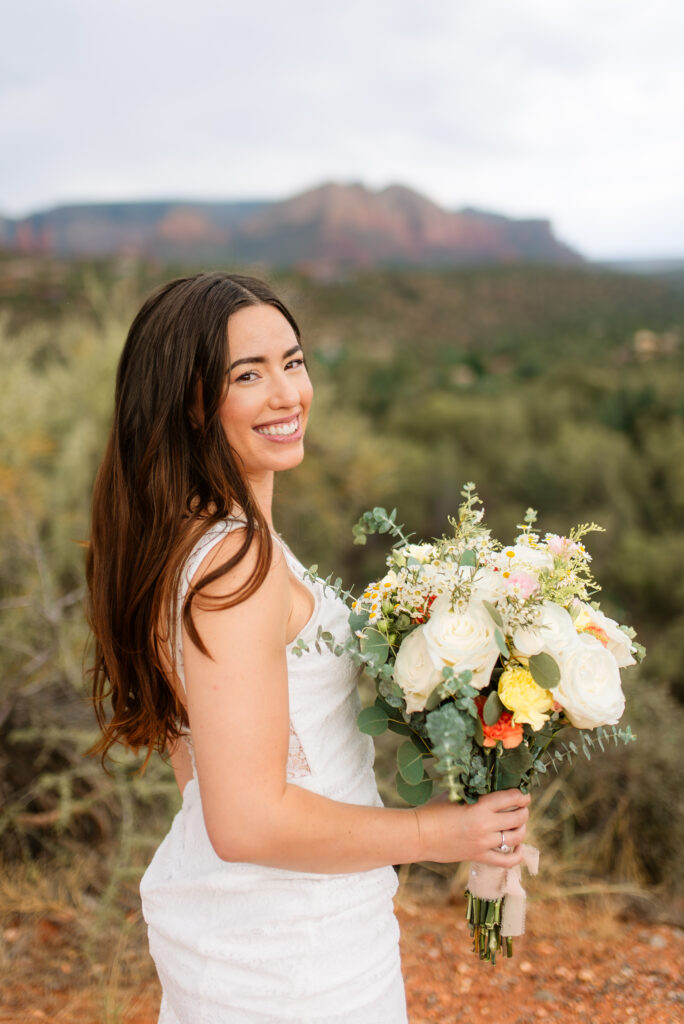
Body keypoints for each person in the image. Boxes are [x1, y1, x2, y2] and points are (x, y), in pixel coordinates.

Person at [86, 271, 531, 1023]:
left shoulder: (195, 539)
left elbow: (198, 761)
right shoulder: (234, 567)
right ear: (192, 402)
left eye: (292, 362)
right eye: (248, 375)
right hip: (293, 957)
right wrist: (440, 833)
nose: (288, 394)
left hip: (273, 922)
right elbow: (245, 822)